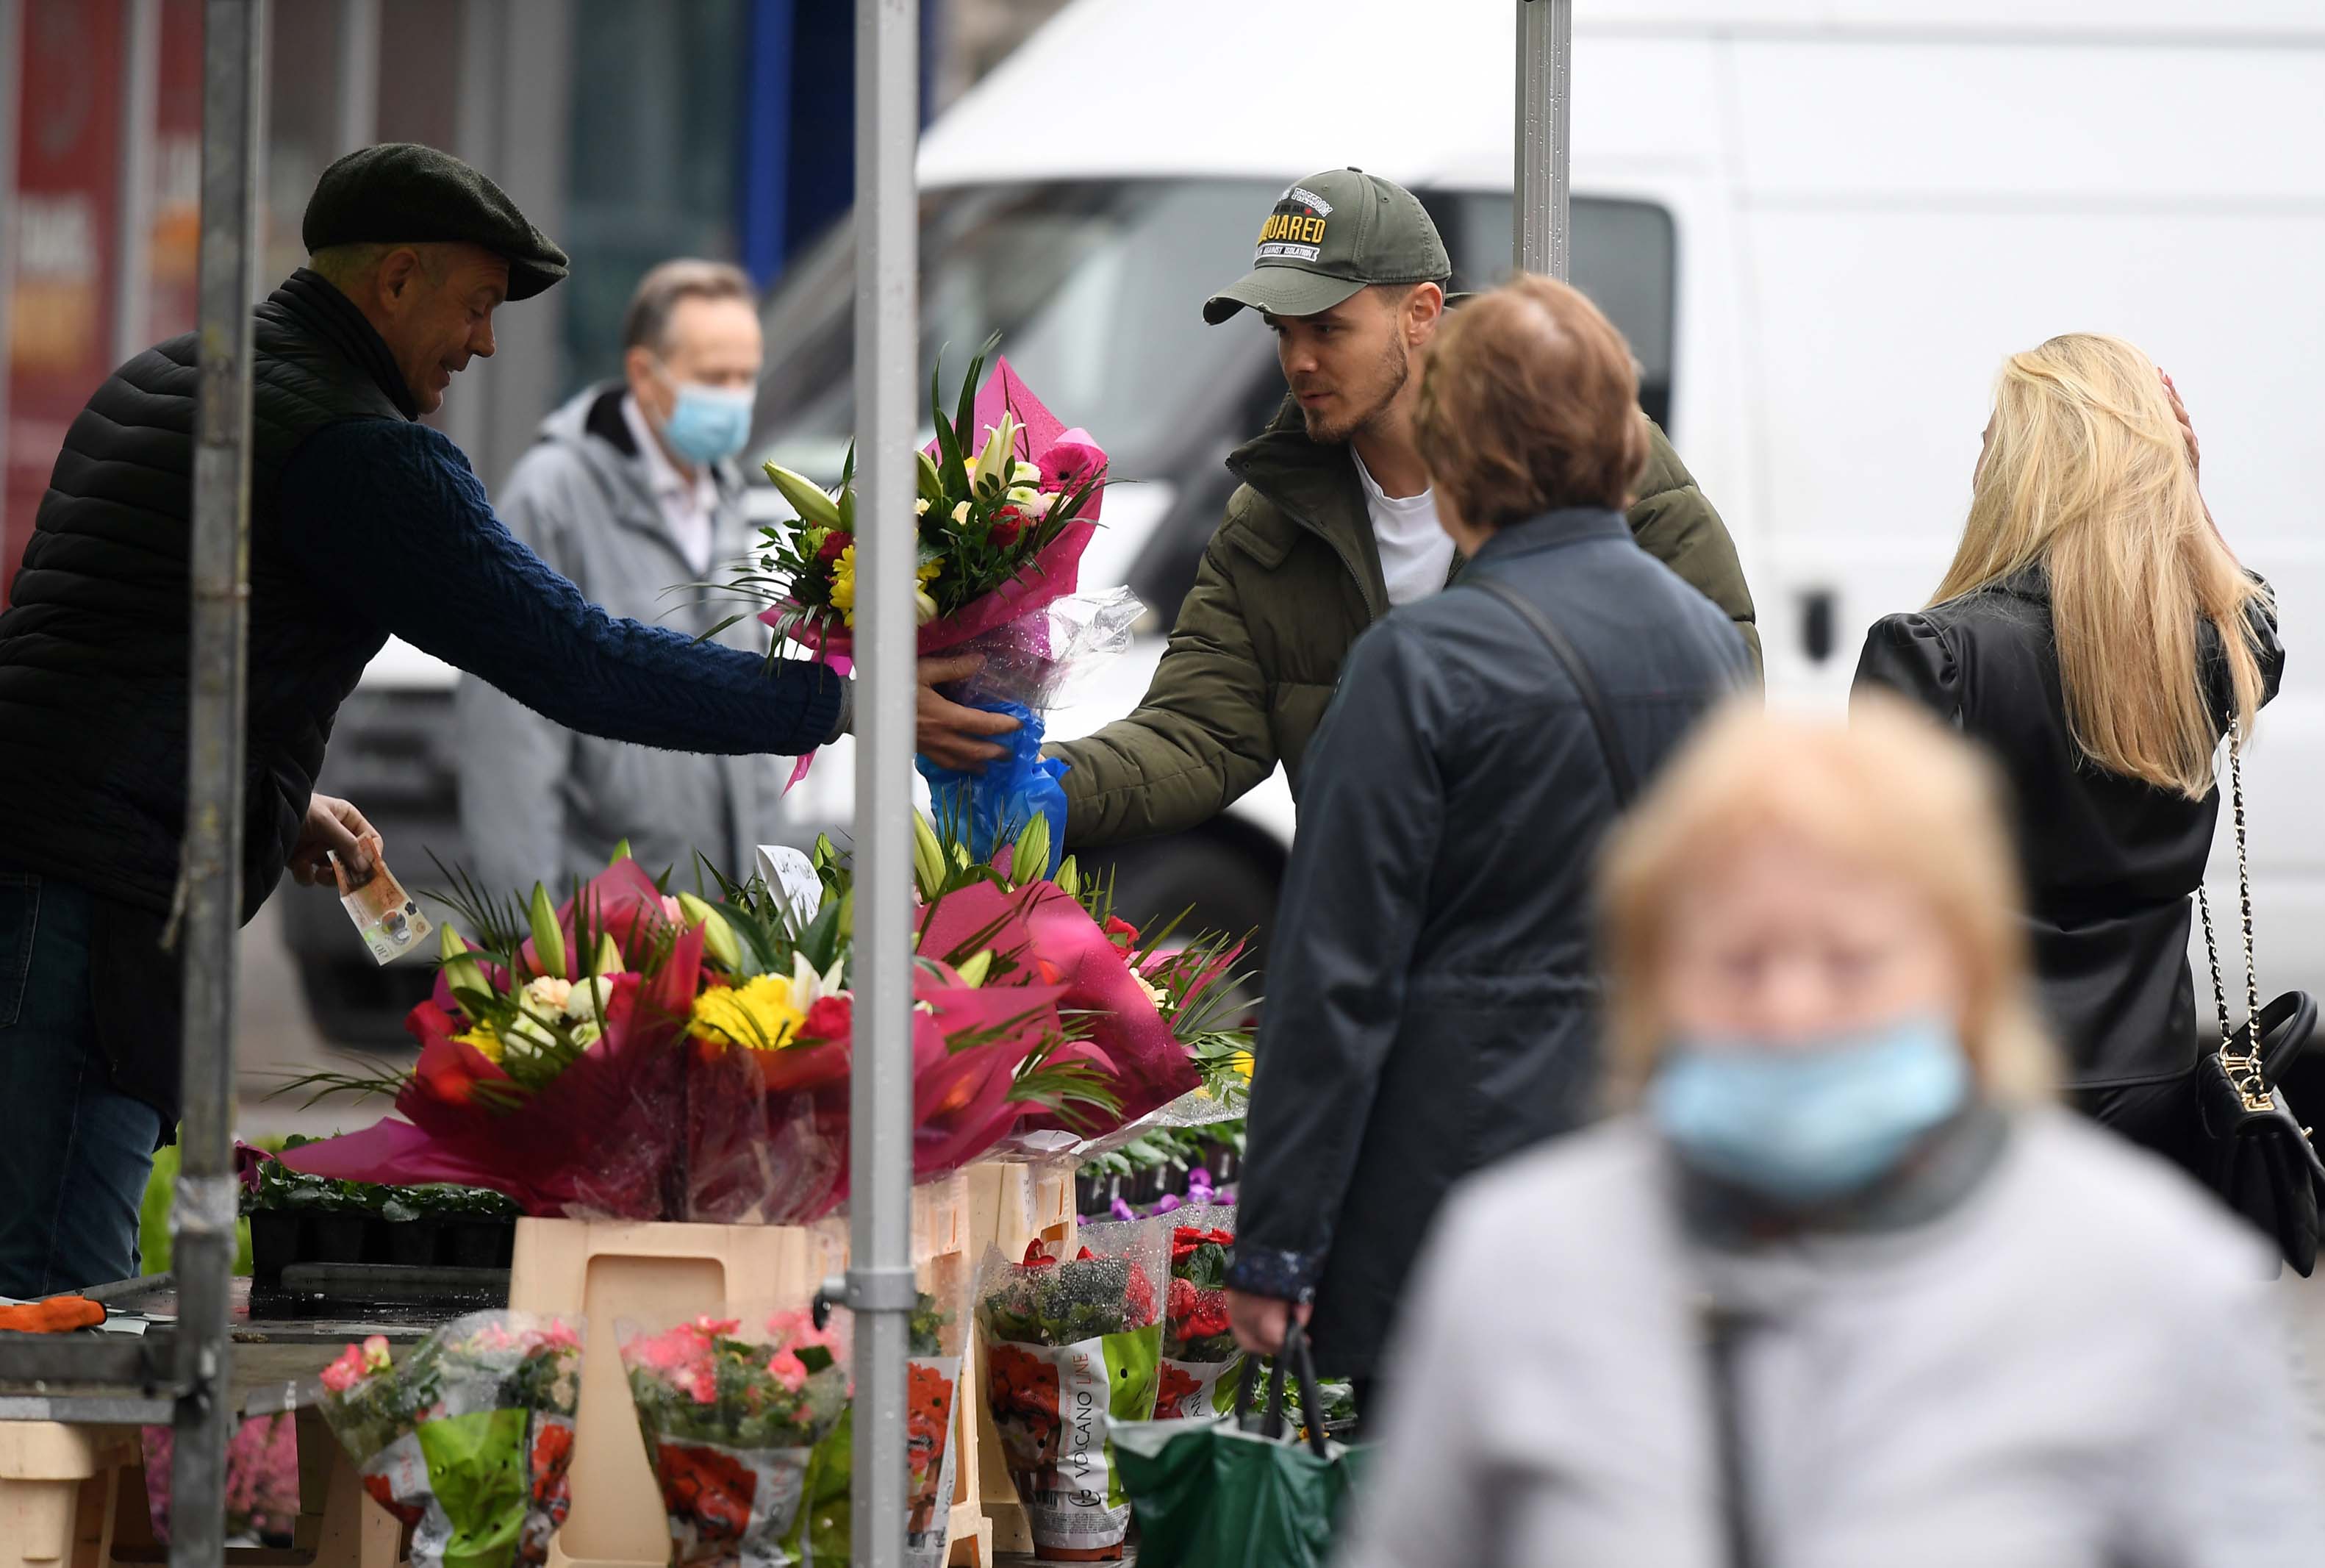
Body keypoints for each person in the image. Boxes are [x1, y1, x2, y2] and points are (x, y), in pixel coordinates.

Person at [0, 144, 994, 1296]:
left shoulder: (164, 380)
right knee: (50, 1308)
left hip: (40, 869)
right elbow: (578, 661)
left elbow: (111, 651)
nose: (481, 343)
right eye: (475, 306)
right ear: (397, 279)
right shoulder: (359, 451)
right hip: (94, 909)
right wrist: (844, 700)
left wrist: (278, 799)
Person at [1341, 700, 2325, 1568]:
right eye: (1737, 960)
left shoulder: (2149, 1282)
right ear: (1651, 980)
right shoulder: (1520, 1261)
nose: (1790, 1009)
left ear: (1965, 976)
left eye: (1853, 961)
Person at [1222, 276, 1752, 1419]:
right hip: (1656, 1174)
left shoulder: (1421, 666)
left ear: (1456, 443)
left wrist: (1274, 1248)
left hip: (1454, 1196)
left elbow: (1337, 975)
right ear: (1620, 437)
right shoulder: (1710, 643)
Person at [1039, 168, 1760, 845]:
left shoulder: (1584, 454)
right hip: (1380, 927)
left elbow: (1717, 703)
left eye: (1326, 327)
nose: (1298, 361)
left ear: (1419, 313)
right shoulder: (1271, 515)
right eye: (1282, 331)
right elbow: (1199, 732)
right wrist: (1042, 785)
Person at [1853, 336, 2281, 1172]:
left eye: (1989, 440)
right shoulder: (2203, 652)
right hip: (2153, 1084)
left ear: (2018, 468)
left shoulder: (1930, 654)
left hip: (1977, 1075)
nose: (1977, 460)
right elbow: (2252, 615)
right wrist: (2184, 487)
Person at [455, 259, 786, 894]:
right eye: (715, 377)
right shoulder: (553, 499)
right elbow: (509, 736)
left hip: (727, 925)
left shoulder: (726, 496)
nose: (736, 397)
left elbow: (756, 710)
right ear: (644, 373)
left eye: (747, 376)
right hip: (602, 928)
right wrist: (534, 936)